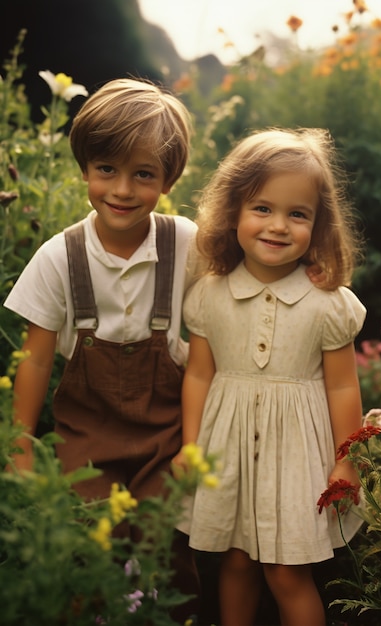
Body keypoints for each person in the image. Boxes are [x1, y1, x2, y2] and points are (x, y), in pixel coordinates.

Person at [4, 77, 202, 620]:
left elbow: (235, 291)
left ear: (168, 179)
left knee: (170, 539)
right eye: (106, 170)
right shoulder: (59, 256)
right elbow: (38, 356)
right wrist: (21, 444)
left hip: (169, 434)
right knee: (85, 539)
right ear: (85, 168)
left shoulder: (184, 242)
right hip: (87, 436)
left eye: (143, 175)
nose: (121, 189)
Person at [174, 128, 366, 626]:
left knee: (285, 571)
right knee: (234, 562)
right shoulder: (209, 294)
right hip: (228, 450)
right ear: (233, 210)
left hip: (297, 456)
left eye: (297, 214)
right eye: (262, 208)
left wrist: (346, 462)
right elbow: (198, 375)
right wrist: (190, 447)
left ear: (317, 224)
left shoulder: (327, 305)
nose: (278, 225)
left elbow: (343, 386)